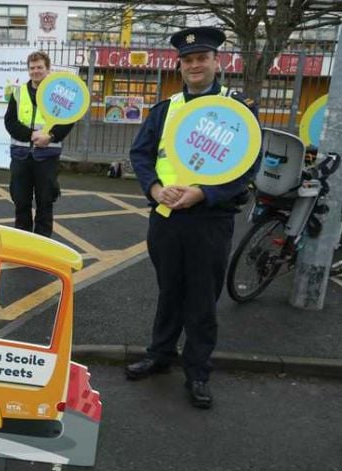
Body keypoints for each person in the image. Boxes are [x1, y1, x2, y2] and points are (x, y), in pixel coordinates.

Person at [125, 27, 260, 409]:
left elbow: (248, 165)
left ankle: (198, 372)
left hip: (209, 221)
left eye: (203, 58)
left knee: (202, 299)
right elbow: (141, 155)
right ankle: (160, 355)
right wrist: (153, 189)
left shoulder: (237, 110)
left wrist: (203, 193)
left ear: (218, 62)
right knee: (170, 292)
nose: (195, 65)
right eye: (188, 60)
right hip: (166, 218)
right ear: (180, 66)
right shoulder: (166, 109)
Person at [4, 51, 75, 238]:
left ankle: (43, 242)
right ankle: (23, 241)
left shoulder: (57, 93)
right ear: (28, 70)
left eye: (39, 67)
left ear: (48, 69)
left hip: (47, 156)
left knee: (45, 201)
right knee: (21, 201)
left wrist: (50, 137)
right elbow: (10, 122)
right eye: (32, 68)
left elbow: (68, 121)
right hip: (21, 155)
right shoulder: (18, 93)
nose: (35, 71)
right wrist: (30, 134)